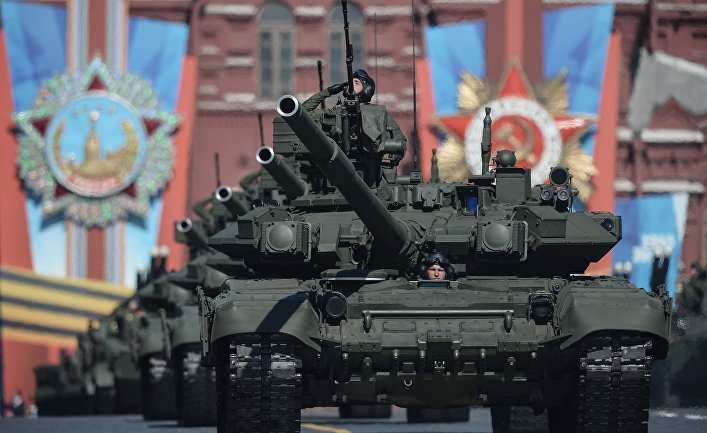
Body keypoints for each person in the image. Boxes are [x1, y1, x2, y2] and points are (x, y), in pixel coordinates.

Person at [301, 69, 407, 166]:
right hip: (337, 164)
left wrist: (391, 156)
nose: (351, 85)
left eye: (356, 82)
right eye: (349, 83)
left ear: (367, 88)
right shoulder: (336, 112)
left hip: (371, 167)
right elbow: (303, 113)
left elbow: (400, 140)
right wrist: (328, 91)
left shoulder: (377, 114)